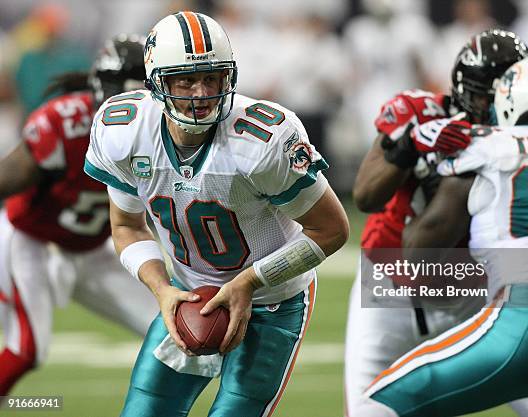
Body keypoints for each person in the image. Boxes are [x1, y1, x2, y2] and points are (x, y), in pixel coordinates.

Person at [84, 12, 348, 417]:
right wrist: (163, 290)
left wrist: (249, 282)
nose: (201, 92)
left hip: (275, 297)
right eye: (185, 80)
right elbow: (126, 226)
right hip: (189, 294)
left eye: (212, 77)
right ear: (157, 82)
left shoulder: (263, 140)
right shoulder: (124, 130)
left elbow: (331, 229)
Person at [354, 55, 528, 416]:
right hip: (396, 286)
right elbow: (367, 195)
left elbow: (415, 248)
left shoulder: (486, 143)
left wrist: (413, 144)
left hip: (509, 308)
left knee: (378, 403)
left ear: (508, 100)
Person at [0, 34, 159, 395]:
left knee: (169, 327)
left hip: (94, 248)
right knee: (27, 349)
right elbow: (7, 179)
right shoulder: (65, 123)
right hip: (32, 240)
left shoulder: (163, 131)